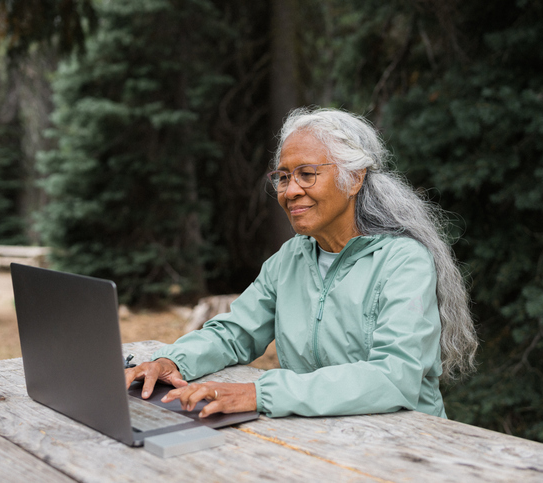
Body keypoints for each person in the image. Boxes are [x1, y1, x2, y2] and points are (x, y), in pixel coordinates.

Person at [125, 107, 478, 419]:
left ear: (354, 178)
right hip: (319, 439)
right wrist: (171, 361)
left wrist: (260, 393)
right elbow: (235, 333)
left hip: (409, 446)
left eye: (306, 174)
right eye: (283, 176)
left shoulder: (403, 261)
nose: (290, 190)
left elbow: (394, 376)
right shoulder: (290, 258)